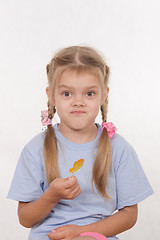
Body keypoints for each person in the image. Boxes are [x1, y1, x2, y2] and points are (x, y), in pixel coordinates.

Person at [7, 46, 153, 240]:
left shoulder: (118, 148)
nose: (78, 102)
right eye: (67, 93)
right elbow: (25, 219)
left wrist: (82, 233)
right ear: (52, 96)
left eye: (89, 94)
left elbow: (129, 216)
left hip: (97, 236)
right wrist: (51, 196)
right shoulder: (35, 149)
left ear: (104, 94)